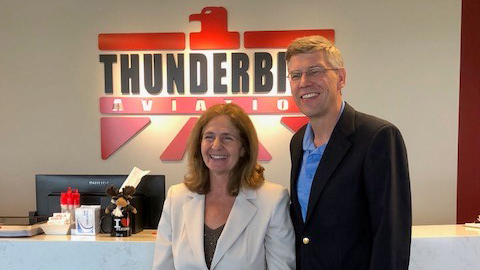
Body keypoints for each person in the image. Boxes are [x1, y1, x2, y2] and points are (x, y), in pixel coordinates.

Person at [286, 35, 412, 270]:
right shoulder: (297, 142)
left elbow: (391, 235)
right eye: (296, 75)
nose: (304, 82)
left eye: (315, 71)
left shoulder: (378, 136)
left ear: (340, 78)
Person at [152, 103, 295, 270]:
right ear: (200, 144)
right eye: (209, 137)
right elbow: (163, 266)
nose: (216, 145)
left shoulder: (272, 200)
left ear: (243, 148)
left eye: (227, 137)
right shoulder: (176, 197)